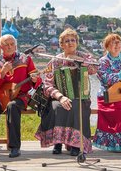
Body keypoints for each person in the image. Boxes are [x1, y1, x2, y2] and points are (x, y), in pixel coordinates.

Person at [35, 28, 97, 156]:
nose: (70, 43)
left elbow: (94, 69)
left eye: (73, 40)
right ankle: (58, 142)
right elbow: (47, 84)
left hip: (81, 97)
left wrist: (77, 59)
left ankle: (76, 144)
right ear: (61, 44)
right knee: (57, 107)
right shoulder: (55, 60)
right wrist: (60, 97)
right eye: (66, 41)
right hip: (59, 97)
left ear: (77, 42)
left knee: (76, 106)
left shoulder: (84, 57)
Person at [0, 34, 38, 158]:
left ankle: (14, 147)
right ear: (1, 46)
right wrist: (2, 72)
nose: (9, 47)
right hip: (1, 96)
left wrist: (35, 80)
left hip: (21, 95)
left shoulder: (26, 59)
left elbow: (35, 79)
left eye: (12, 44)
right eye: (6, 44)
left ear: (16, 45)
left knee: (12, 106)